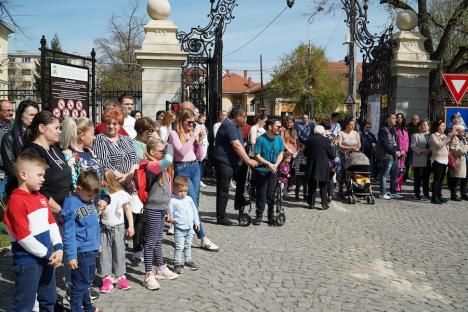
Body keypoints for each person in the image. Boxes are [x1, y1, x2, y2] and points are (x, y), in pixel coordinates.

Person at [3, 153, 63, 312]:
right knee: (24, 304)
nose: (43, 179)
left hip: (46, 260)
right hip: (28, 263)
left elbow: (52, 224)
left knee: (49, 299)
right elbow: (23, 237)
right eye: (39, 175)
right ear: (23, 175)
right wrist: (47, 254)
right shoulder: (16, 201)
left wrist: (59, 248)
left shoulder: (41, 198)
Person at [169, 109, 219, 251]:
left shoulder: (191, 133)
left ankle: (187, 228)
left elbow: (198, 155)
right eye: (189, 122)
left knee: (194, 203)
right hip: (182, 168)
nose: (191, 125)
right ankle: (203, 237)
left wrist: (200, 142)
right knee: (190, 202)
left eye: (193, 122)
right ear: (181, 121)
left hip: (195, 166)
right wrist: (194, 137)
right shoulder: (174, 133)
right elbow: (181, 152)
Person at [140, 139, 178, 290]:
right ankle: (148, 274)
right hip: (153, 208)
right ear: (151, 152)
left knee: (158, 240)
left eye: (164, 150)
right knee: (150, 243)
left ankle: (160, 267)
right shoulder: (151, 166)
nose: (164, 153)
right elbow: (169, 159)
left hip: (161, 208)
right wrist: (169, 142)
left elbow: (167, 192)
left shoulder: (161, 168)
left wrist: (168, 209)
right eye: (161, 151)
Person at [62, 171, 103, 312]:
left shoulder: (86, 199)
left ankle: (88, 307)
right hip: (81, 251)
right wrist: (72, 256)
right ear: (79, 189)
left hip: (91, 248)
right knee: (80, 285)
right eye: (90, 195)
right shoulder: (71, 204)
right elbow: (69, 233)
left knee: (85, 281)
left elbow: (90, 223)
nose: (92, 198)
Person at [214, 108, 257, 226]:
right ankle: (221, 216)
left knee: (242, 185)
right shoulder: (229, 125)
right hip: (224, 161)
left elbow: (241, 145)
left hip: (236, 161)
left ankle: (240, 210)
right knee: (223, 189)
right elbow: (236, 145)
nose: (246, 119)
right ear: (238, 116)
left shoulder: (237, 126)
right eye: (245, 117)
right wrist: (247, 160)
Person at [22, 111, 72, 213]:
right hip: (48, 213)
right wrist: (59, 210)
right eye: (56, 128)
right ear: (42, 128)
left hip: (65, 210)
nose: (59, 132)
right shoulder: (31, 152)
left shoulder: (56, 150)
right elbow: (37, 189)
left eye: (60, 128)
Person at [98, 169, 134, 293]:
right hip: (104, 228)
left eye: (104, 181)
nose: (103, 183)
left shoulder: (120, 194)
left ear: (109, 181)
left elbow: (127, 209)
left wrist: (131, 226)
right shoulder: (100, 195)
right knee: (104, 253)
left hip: (118, 227)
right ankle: (107, 278)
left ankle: (120, 276)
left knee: (119, 252)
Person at [1, 99, 39, 195]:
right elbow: (11, 168)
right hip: (21, 188)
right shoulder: (9, 137)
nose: (35, 118)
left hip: (39, 186)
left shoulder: (39, 135)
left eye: (36, 115)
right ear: (21, 115)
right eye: (31, 115)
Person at [252, 117, 284, 225]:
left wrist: (275, 164)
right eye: (278, 126)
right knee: (261, 193)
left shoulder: (279, 138)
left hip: (273, 170)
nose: (280, 128)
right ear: (270, 127)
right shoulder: (261, 139)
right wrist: (268, 164)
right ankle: (259, 215)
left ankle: (271, 216)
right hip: (262, 170)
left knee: (271, 194)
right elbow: (256, 155)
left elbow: (281, 153)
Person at [168, 176, 200, 274]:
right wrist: (170, 219)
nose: (183, 193)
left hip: (190, 228)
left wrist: (197, 222)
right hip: (179, 228)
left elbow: (194, 211)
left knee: (188, 245)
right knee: (179, 246)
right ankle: (177, 263)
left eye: (185, 191)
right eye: (181, 191)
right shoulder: (173, 201)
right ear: (174, 190)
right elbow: (170, 213)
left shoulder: (189, 199)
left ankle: (188, 260)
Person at [305, 125, 336, 209]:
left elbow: (305, 153)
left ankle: (311, 204)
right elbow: (332, 154)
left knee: (312, 185)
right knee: (323, 185)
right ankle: (324, 204)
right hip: (323, 165)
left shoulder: (309, 139)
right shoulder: (326, 140)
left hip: (311, 164)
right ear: (322, 132)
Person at [429, 119, 456, 204]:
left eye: (444, 126)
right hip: (437, 160)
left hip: (445, 160)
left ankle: (439, 195)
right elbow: (438, 145)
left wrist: (452, 137)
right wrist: (448, 137)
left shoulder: (444, 135)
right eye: (442, 126)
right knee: (437, 179)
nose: (444, 128)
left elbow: (449, 144)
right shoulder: (433, 136)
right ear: (437, 126)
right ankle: (434, 197)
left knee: (441, 180)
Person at [377, 114, 402, 200]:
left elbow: (395, 142)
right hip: (386, 156)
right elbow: (385, 144)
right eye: (394, 118)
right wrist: (395, 152)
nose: (396, 119)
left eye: (396, 118)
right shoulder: (383, 130)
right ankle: (382, 193)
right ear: (388, 119)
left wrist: (398, 150)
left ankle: (393, 192)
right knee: (384, 175)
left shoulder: (393, 129)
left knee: (394, 174)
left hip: (394, 155)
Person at [337, 118, 361, 196]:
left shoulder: (355, 133)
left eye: (353, 125)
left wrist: (357, 148)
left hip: (354, 155)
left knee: (353, 172)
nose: (352, 126)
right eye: (351, 125)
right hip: (344, 155)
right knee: (344, 172)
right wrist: (350, 147)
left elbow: (359, 143)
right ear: (346, 125)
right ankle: (341, 188)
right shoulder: (341, 133)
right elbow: (339, 145)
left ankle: (351, 188)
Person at [411, 120, 431, 200]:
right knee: (418, 178)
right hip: (419, 159)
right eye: (422, 125)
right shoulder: (415, 135)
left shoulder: (431, 135)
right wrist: (422, 151)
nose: (424, 126)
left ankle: (426, 193)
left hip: (429, 159)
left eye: (425, 125)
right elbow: (413, 146)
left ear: (428, 126)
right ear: (418, 127)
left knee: (426, 178)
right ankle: (417, 193)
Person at [448, 125, 467, 201]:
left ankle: (464, 194)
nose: (463, 132)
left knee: (465, 178)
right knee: (456, 179)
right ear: (457, 131)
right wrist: (466, 146)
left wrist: (465, 147)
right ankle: (453, 195)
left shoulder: (463, 138)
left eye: (464, 130)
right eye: (462, 130)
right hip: (458, 161)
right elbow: (458, 151)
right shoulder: (454, 139)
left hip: (464, 160)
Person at [0, 99, 14, 195]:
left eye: (12, 110)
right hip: (1, 170)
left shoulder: (15, 126)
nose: (11, 113)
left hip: (14, 169)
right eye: (7, 110)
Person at [395, 113, 409, 192]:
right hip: (397, 152)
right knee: (396, 170)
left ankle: (399, 185)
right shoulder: (394, 129)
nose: (399, 119)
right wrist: (399, 150)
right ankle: (395, 186)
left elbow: (407, 141)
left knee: (402, 171)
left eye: (401, 117)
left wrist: (405, 150)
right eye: (398, 117)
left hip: (404, 153)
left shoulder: (405, 129)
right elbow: (395, 141)